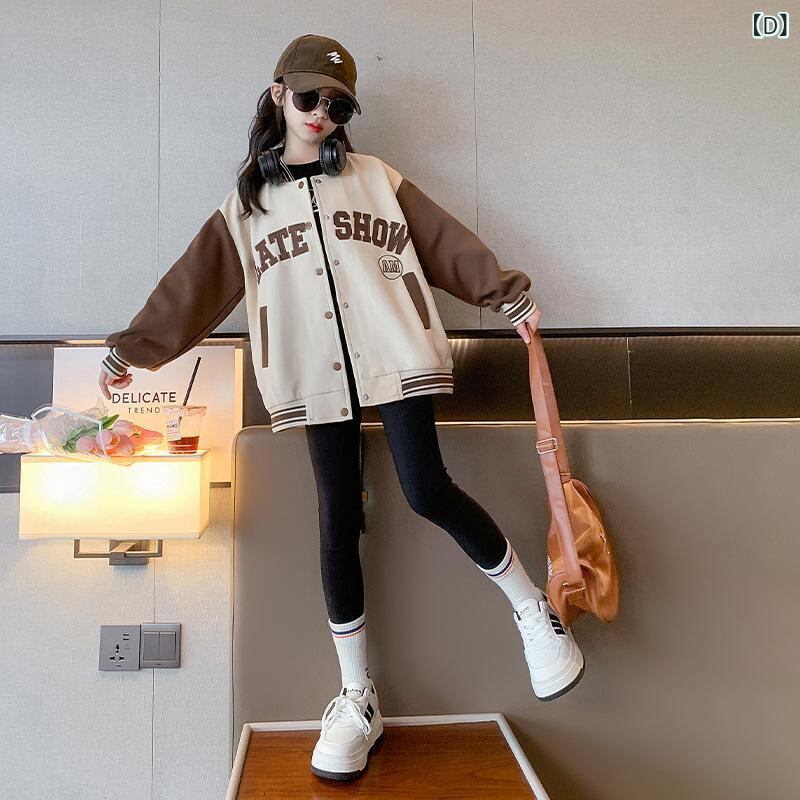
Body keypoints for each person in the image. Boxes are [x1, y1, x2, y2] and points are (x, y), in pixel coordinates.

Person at [98, 33, 584, 783]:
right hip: (308, 371)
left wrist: (504, 292)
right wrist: (133, 351)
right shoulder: (247, 206)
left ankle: (534, 613)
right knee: (337, 518)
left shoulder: (376, 179)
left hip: (395, 355)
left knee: (427, 490)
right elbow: (191, 286)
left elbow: (443, 243)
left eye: (338, 104)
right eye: (308, 97)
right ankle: (358, 697)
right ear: (277, 95)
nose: (320, 113)